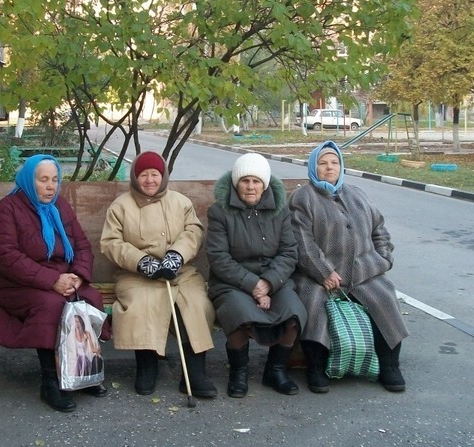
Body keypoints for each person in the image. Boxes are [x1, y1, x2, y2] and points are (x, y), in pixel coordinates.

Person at [0, 154, 111, 413]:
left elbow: (82, 245)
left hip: (62, 277)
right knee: (52, 306)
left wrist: (78, 275)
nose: (51, 186)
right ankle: (51, 382)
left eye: (54, 180)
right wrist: (52, 280)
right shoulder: (7, 209)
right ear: (30, 181)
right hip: (18, 284)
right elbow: (6, 257)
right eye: (43, 180)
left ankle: (83, 371)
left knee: (90, 299)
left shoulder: (60, 206)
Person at [289, 141, 409, 393]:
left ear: (341, 166)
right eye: (322, 163)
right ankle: (316, 367)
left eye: (334, 162)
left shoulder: (357, 194)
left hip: (366, 271)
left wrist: (384, 258)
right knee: (312, 300)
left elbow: (379, 229)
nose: (329, 167)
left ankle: (390, 365)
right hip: (320, 275)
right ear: (313, 168)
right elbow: (302, 242)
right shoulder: (303, 198)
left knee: (385, 297)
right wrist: (323, 272)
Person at [100, 151, 217, 398]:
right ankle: (147, 366)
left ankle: (194, 372)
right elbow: (112, 243)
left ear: (163, 176)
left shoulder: (180, 202)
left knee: (195, 303)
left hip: (179, 271)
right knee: (143, 304)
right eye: (144, 175)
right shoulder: (121, 206)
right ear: (135, 177)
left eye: (155, 174)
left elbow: (193, 231)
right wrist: (143, 262)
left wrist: (176, 256)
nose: (150, 180)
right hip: (136, 274)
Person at [205, 153, 307, 397]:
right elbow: (219, 258)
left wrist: (269, 283)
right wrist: (253, 285)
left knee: (293, 311)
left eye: (256, 181)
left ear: (265, 184)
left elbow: (289, 251)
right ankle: (238, 373)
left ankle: (275, 370)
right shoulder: (219, 212)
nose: (251, 187)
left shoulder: (279, 210)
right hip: (232, 282)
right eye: (245, 180)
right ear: (236, 183)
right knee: (239, 313)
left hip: (274, 280)